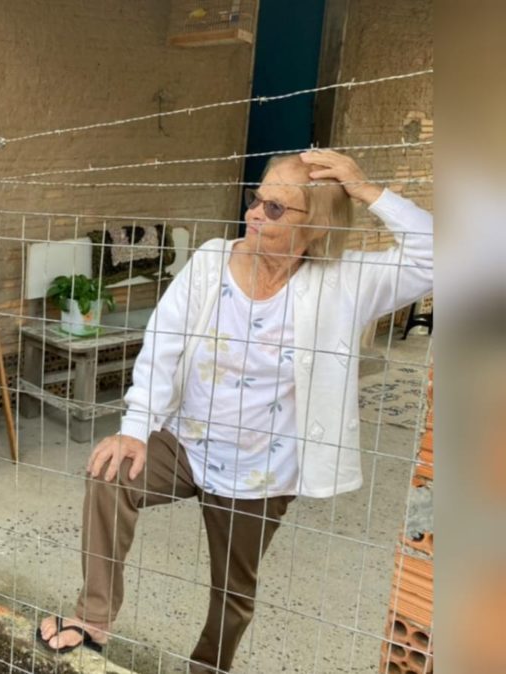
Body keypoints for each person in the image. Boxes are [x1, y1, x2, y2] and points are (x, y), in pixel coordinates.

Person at [36, 150, 433, 673]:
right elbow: (163, 346)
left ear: (314, 227)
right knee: (110, 475)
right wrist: (135, 430)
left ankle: (208, 667)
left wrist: (365, 190)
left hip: (262, 470)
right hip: (186, 443)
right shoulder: (209, 261)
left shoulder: (345, 280)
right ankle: (94, 620)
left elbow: (442, 258)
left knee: (233, 591)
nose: (253, 213)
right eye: (256, 198)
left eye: (274, 208)